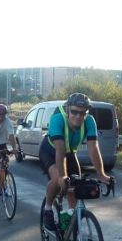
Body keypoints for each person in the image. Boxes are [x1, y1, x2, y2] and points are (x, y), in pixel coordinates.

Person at [39, 93, 111, 231]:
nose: (78, 116)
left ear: (86, 113)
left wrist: (101, 174)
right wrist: (62, 176)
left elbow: (93, 148)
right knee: (57, 178)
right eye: (74, 112)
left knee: (76, 184)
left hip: (70, 153)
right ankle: (47, 209)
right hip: (50, 151)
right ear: (67, 109)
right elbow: (60, 149)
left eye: (82, 113)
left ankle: (70, 222)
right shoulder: (57, 119)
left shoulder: (90, 121)